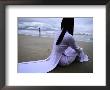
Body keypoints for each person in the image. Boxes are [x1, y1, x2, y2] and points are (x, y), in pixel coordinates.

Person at [18, 18, 89, 73]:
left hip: (54, 58)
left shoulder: (57, 32)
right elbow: (76, 49)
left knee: (71, 48)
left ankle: (79, 58)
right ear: (71, 25)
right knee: (79, 49)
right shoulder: (69, 36)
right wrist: (81, 50)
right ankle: (81, 59)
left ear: (62, 23)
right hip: (63, 62)